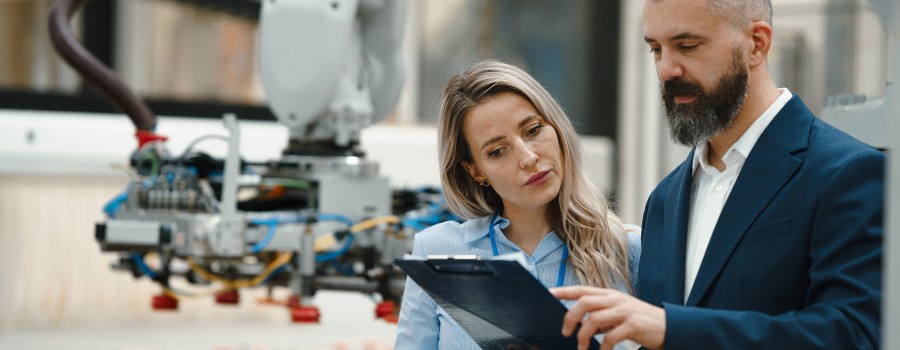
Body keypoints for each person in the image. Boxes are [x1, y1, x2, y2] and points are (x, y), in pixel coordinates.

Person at [550, 0, 884, 349]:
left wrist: (670, 327)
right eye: (655, 49)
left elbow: (854, 334)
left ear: (756, 43)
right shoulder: (664, 199)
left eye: (687, 46)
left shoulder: (848, 173)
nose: (667, 69)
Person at [394, 60, 641, 349]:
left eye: (533, 130)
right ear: (476, 171)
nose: (528, 158)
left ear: (556, 127)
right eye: (498, 151)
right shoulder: (436, 253)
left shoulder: (629, 251)